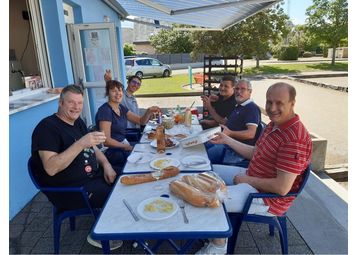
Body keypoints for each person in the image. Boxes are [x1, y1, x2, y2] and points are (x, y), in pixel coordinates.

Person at [195, 82, 312, 255]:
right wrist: (226, 140)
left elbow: (282, 188)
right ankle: (215, 231)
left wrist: (247, 180)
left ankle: (219, 246)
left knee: (208, 200)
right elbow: (255, 152)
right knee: (204, 174)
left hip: (269, 198)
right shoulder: (274, 124)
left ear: (292, 103)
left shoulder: (293, 138)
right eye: (269, 102)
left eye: (279, 103)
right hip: (254, 176)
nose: (272, 108)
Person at [31, 84, 123, 250]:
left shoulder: (77, 122)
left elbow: (94, 148)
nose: (76, 107)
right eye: (71, 102)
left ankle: (118, 221)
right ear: (60, 103)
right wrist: (81, 143)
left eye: (79, 103)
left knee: (125, 176)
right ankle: (98, 234)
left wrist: (107, 165)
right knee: (119, 193)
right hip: (71, 190)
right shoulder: (47, 128)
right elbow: (51, 168)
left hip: (91, 177)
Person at [95, 79, 158, 166]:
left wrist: (148, 112)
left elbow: (140, 121)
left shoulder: (121, 108)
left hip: (123, 145)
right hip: (113, 151)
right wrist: (128, 147)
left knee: (150, 149)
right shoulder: (105, 111)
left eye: (120, 90)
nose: (118, 94)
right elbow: (106, 141)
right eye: (114, 91)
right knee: (146, 159)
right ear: (107, 93)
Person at [205, 79, 261, 164]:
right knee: (200, 146)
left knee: (201, 157)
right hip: (224, 141)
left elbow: (251, 133)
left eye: (242, 89)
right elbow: (222, 121)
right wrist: (210, 105)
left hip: (233, 151)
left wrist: (230, 133)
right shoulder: (238, 106)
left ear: (250, 91)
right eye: (237, 89)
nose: (239, 91)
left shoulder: (251, 108)